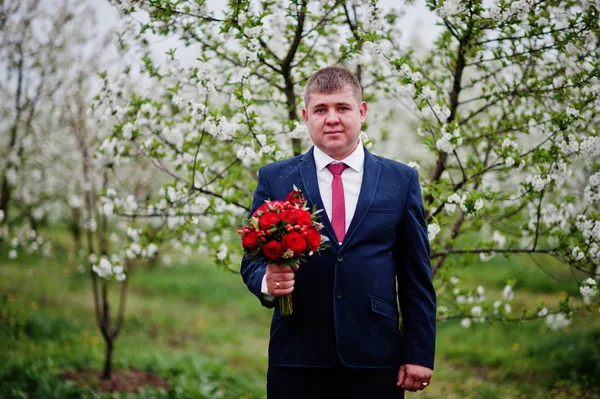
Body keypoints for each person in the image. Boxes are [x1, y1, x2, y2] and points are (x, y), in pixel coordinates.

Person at [241, 66, 436, 399]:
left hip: (375, 356)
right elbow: (251, 260)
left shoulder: (400, 180)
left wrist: (418, 352)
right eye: (320, 109)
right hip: (298, 356)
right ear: (306, 116)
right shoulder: (275, 178)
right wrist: (266, 281)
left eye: (342, 108)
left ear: (361, 112)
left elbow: (416, 273)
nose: (331, 118)